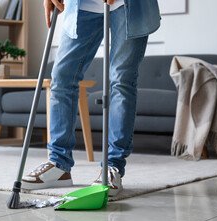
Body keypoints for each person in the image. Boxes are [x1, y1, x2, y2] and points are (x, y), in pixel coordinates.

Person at [21, 0, 161, 196]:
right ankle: (58, 165)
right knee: (61, 77)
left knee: (121, 79)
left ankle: (113, 166)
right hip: (82, 5)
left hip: (128, 6)